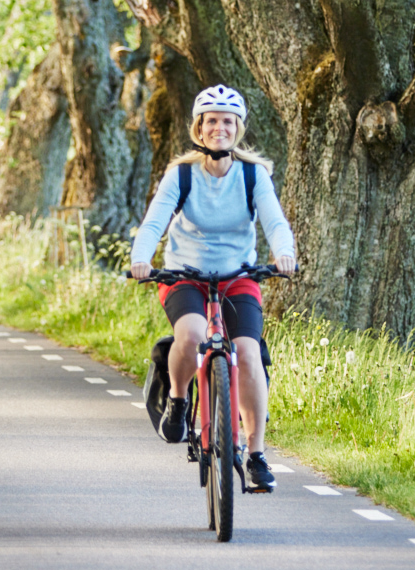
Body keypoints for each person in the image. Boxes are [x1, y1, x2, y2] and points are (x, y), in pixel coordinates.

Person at [127, 85, 298, 492]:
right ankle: (179, 400)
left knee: (250, 353)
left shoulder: (253, 175)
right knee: (190, 335)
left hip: (237, 276)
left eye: (226, 122)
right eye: (211, 122)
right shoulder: (182, 175)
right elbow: (154, 222)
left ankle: (255, 453)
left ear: (237, 129)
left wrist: (284, 252)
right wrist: (141, 258)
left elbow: (274, 222)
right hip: (184, 275)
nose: (219, 128)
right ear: (198, 129)